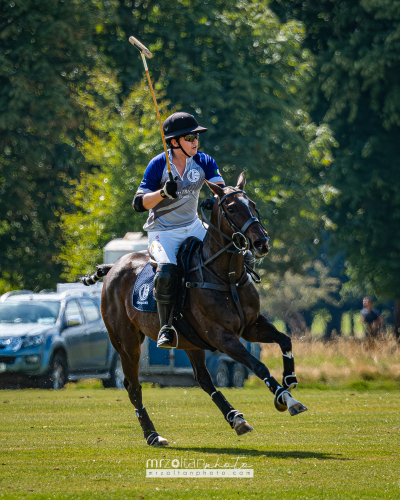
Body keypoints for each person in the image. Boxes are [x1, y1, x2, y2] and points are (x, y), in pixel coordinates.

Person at [133, 112, 225, 349]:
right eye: (190, 137)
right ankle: (166, 328)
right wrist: (163, 193)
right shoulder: (158, 165)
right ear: (174, 142)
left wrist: (216, 201)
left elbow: (220, 191)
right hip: (162, 232)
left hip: (193, 225)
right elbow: (139, 204)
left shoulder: (204, 161)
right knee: (166, 271)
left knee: (228, 251)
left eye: (196, 136)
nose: (195, 141)